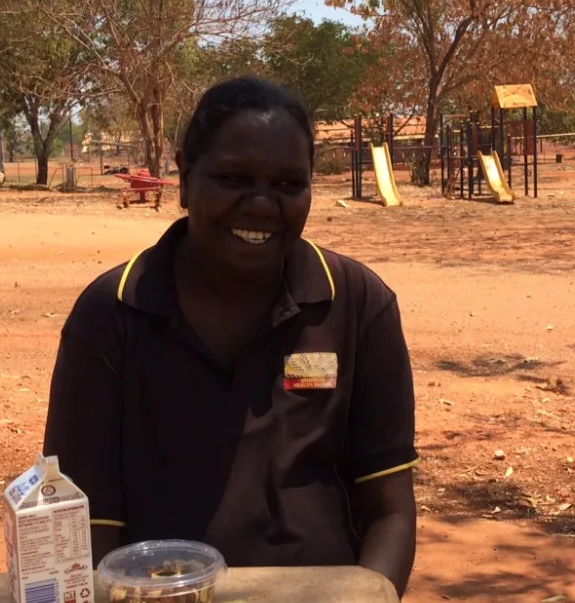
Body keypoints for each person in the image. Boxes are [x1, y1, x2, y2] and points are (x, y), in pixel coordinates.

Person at [43, 77, 417, 597]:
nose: (262, 205)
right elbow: (90, 522)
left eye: (289, 185)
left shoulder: (358, 306)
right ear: (185, 176)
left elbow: (390, 510)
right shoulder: (112, 314)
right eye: (234, 178)